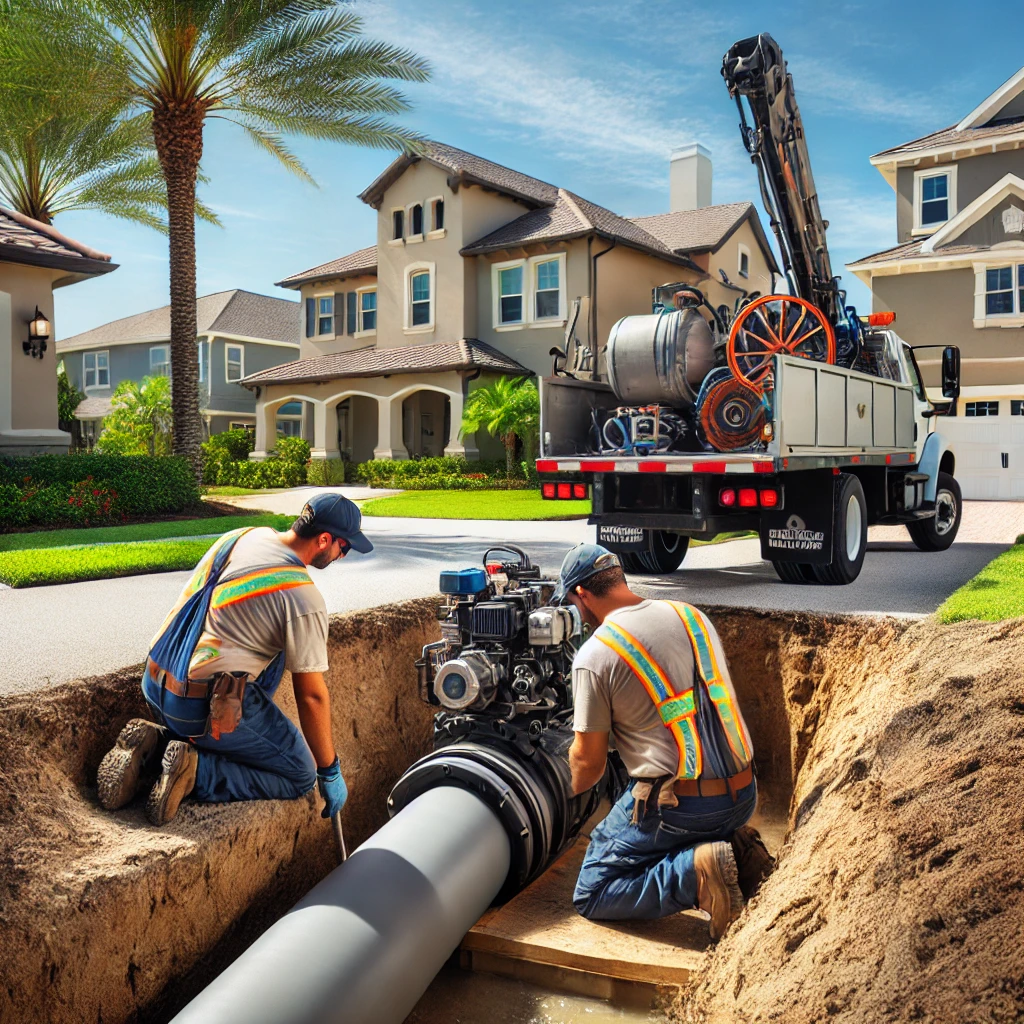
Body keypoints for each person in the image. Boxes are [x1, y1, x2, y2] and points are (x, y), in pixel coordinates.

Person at [97, 493, 373, 827]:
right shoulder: (303, 597)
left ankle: (156, 747)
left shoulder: (244, 535)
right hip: (197, 709)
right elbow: (311, 695)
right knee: (299, 774)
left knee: (282, 645)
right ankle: (196, 772)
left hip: (156, 683)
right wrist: (328, 770)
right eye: (344, 547)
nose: (343, 555)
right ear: (324, 539)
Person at [553, 542, 757, 940]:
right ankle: (736, 844)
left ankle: (695, 873)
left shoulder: (596, 654)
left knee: (593, 890)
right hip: (744, 793)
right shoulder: (690, 615)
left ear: (582, 595)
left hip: (684, 808)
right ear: (619, 579)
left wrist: (559, 801)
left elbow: (588, 767)